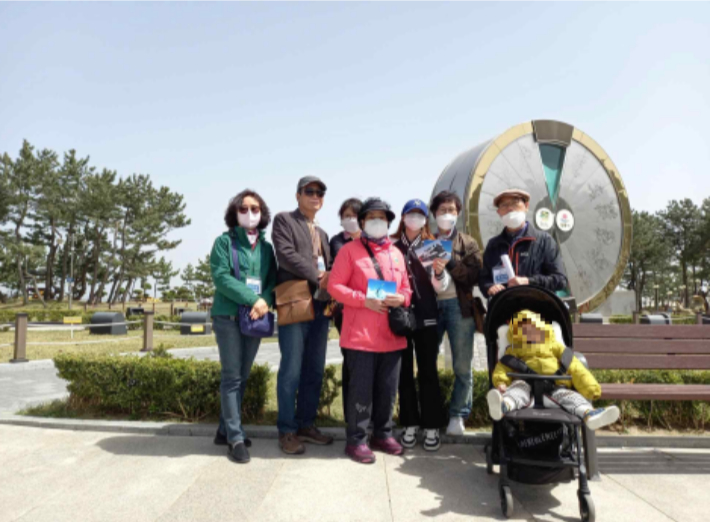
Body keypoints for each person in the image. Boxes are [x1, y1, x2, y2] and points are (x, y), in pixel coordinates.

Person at [328, 198, 412, 464]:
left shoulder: (397, 253)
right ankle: (357, 439)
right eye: (371, 217)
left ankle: (383, 434)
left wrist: (403, 299)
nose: (377, 222)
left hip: (391, 337)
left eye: (382, 217)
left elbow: (407, 289)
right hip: (360, 337)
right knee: (360, 391)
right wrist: (362, 299)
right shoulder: (349, 251)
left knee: (387, 391)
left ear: (389, 222)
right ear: (362, 222)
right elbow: (334, 286)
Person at [210, 189, 277, 464]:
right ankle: (236, 438)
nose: (250, 213)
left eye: (256, 208)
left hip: (255, 319)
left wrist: (266, 301)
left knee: (243, 376)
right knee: (231, 378)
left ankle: (225, 429)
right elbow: (222, 277)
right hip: (228, 318)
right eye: (244, 208)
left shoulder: (266, 248)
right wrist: (255, 299)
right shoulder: (224, 242)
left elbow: (273, 281)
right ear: (234, 213)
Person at [272, 176, 334, 455]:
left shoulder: (322, 234)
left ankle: (305, 424)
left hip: (321, 308)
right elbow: (286, 255)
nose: (315, 196)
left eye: (320, 192)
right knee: (291, 369)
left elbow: (329, 267)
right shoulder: (284, 220)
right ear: (298, 195)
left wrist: (330, 282)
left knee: (314, 370)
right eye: (309, 191)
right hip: (295, 302)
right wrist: (318, 276)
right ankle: (286, 430)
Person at [487, 310, 620, 430]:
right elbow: (503, 366)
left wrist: (589, 387)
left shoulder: (555, 347)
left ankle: (589, 414)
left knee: (571, 397)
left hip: (555, 388)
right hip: (526, 386)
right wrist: (501, 382)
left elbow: (575, 366)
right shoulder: (514, 349)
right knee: (516, 391)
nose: (528, 333)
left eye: (532, 328)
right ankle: (503, 406)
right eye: (522, 330)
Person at [393, 199, 450, 451]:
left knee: (428, 371)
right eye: (410, 213)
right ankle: (409, 423)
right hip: (400, 317)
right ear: (403, 217)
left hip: (426, 316)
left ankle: (431, 426)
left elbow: (441, 287)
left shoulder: (432, 246)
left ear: (425, 219)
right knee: (402, 372)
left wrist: (438, 273)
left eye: (419, 214)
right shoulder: (392, 247)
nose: (414, 218)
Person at [430, 190, 484, 436]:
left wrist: (449, 261)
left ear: (458, 213)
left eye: (451, 210)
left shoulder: (468, 243)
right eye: (442, 210)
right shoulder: (426, 240)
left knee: (462, 365)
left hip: (459, 306)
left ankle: (457, 415)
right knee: (427, 363)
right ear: (434, 214)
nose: (447, 214)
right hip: (431, 308)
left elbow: (473, 276)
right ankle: (431, 415)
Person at [479, 189, 567, 298]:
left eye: (515, 203)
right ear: (499, 212)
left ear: (526, 206)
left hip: (537, 307)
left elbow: (560, 280)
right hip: (503, 308)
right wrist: (489, 287)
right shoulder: (494, 245)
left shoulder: (544, 241)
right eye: (504, 205)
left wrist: (528, 281)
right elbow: (484, 277)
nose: (510, 208)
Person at [329, 198, 363, 421]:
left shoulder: (373, 241)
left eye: (354, 215)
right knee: (350, 360)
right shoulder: (336, 241)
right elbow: (339, 272)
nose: (350, 220)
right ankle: (351, 416)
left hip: (369, 310)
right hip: (344, 309)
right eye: (346, 216)